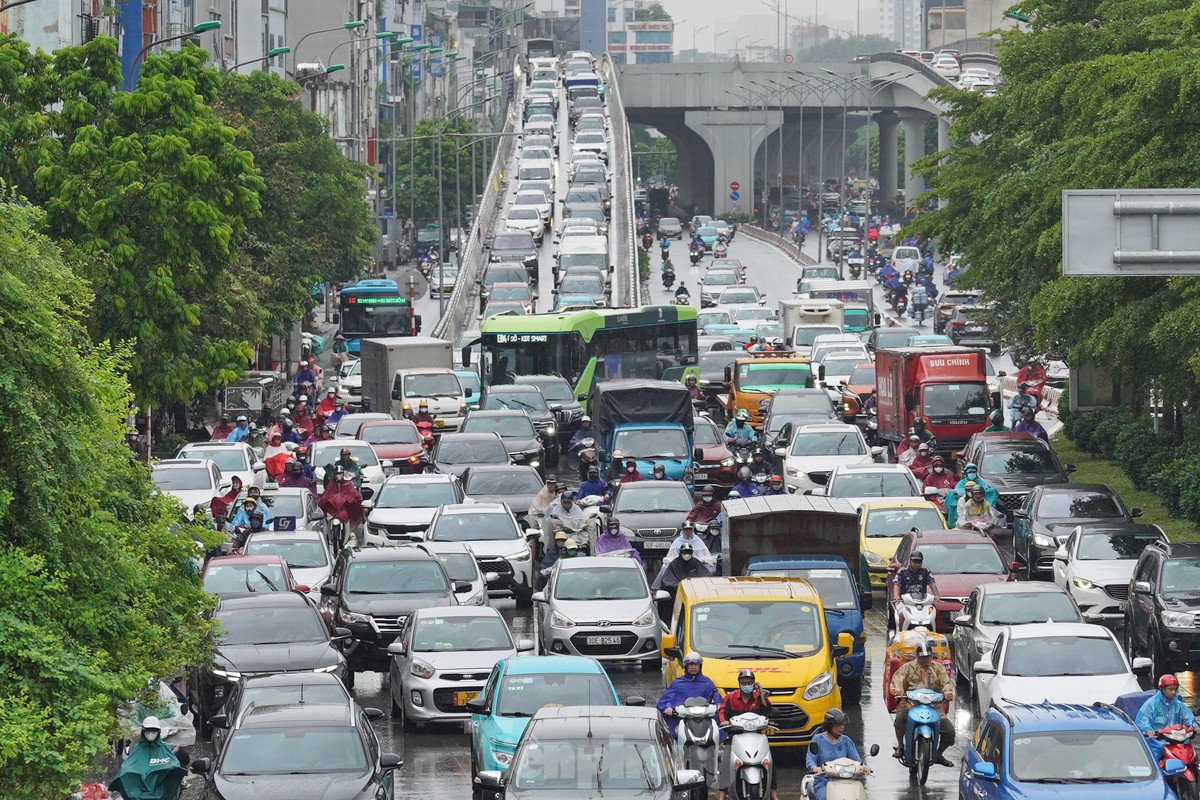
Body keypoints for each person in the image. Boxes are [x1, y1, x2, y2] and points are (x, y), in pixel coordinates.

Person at [890, 639, 955, 766]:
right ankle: (900, 745)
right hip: (911, 703)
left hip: (934, 706)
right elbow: (898, 679)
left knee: (950, 732)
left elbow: (946, 684)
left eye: (927, 657)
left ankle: (938, 754)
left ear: (931, 656)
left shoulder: (938, 668)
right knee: (900, 718)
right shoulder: (907, 668)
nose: (925, 659)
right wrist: (898, 691)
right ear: (917, 656)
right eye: (922, 657)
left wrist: (948, 693)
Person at [717, 669, 779, 800]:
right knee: (726, 760)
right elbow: (722, 711)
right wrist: (723, 721)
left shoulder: (758, 697)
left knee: (770, 760)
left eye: (749, 682)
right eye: (744, 682)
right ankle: (722, 794)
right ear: (739, 683)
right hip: (735, 735)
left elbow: (768, 710)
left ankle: (773, 793)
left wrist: (762, 693)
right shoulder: (731, 697)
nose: (746, 685)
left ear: (754, 683)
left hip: (756, 734)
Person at [108, 716, 186, 800]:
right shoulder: (137, 749)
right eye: (148, 731)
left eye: (153, 732)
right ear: (143, 732)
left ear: (158, 732)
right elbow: (127, 767)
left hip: (162, 793)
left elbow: (174, 765)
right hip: (140, 794)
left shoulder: (165, 750)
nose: (150, 734)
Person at [808, 708, 869, 800]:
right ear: (829, 725)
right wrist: (815, 767)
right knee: (823, 798)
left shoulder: (846, 741)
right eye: (838, 725)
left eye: (843, 724)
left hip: (844, 779)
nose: (842, 727)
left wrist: (863, 767)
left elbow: (856, 759)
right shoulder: (817, 740)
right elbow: (810, 758)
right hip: (823, 780)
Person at [657, 652, 721, 737]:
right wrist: (667, 708)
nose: (693, 667)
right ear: (686, 666)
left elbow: (717, 697)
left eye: (696, 664)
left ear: (700, 666)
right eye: (691, 665)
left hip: (704, 721)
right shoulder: (677, 683)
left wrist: (719, 705)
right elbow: (664, 701)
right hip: (682, 721)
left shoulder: (707, 682)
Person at [1135, 674, 1196, 761]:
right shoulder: (1152, 704)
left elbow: (1189, 718)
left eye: (1175, 689)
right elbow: (1142, 722)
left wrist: (1195, 727)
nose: (1173, 692)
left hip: (1177, 740)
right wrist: (1149, 731)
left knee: (1193, 758)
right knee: (1154, 758)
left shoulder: (1178, 705)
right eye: (1170, 689)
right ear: (1162, 689)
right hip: (1157, 742)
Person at [890, 551, 939, 633]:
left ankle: (933, 633)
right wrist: (896, 596)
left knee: (933, 613)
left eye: (919, 562)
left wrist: (936, 595)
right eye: (914, 562)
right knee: (902, 614)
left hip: (922, 602)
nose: (917, 564)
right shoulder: (902, 571)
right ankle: (901, 634)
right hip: (905, 602)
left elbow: (932, 583)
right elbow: (897, 584)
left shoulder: (925, 571)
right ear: (910, 561)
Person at [320, 467, 365, 547]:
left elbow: (353, 493)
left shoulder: (347, 484)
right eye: (337, 474)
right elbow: (327, 493)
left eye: (340, 474)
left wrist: (353, 499)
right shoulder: (331, 484)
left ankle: (348, 533)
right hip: (333, 509)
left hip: (344, 508)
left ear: (343, 474)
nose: (339, 476)